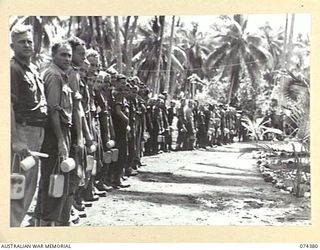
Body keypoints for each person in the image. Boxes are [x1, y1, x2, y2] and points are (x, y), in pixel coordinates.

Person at [10, 24, 48, 227]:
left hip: (37, 132)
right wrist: (15, 139)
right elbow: (7, 106)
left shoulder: (33, 69)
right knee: (17, 185)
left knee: (29, 186)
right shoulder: (12, 69)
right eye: (21, 42)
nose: (26, 45)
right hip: (22, 131)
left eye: (29, 41)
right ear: (12, 45)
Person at [34, 42, 73, 226]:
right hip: (55, 133)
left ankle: (43, 219)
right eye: (63, 54)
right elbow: (53, 110)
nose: (67, 58)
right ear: (53, 55)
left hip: (59, 131)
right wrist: (60, 141)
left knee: (52, 177)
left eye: (69, 55)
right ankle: (47, 223)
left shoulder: (61, 76)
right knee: (55, 179)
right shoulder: (54, 75)